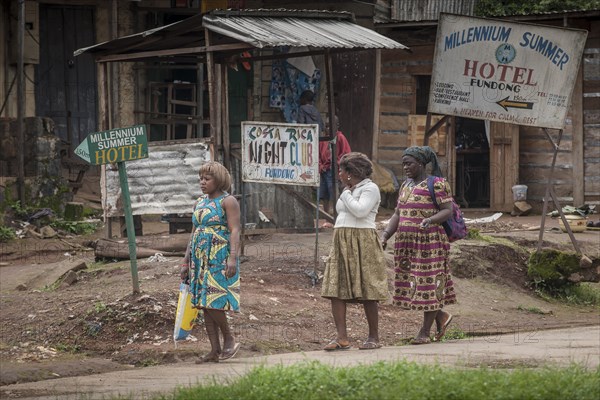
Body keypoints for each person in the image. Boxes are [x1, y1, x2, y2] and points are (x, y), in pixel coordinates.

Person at [381, 146, 456, 345]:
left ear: (421, 164)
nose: (405, 167)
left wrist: (430, 220)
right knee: (417, 286)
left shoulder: (438, 184)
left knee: (428, 285)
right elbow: (398, 214)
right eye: (403, 163)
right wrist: (386, 235)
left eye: (409, 163)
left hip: (429, 243)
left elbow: (447, 210)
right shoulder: (406, 185)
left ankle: (424, 332)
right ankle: (440, 316)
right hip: (406, 245)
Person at [321, 152, 388, 350]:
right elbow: (344, 213)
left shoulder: (370, 188)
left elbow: (360, 211)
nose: (339, 174)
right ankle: (342, 337)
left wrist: (346, 194)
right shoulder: (349, 189)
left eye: (342, 170)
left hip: (363, 240)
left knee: (368, 289)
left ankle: (373, 338)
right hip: (342, 239)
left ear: (351, 172)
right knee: (336, 288)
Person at [180, 161, 241, 363]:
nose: (202, 182)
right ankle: (214, 350)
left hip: (218, 256)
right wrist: (185, 261)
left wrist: (232, 257)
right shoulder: (199, 202)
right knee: (203, 303)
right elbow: (193, 232)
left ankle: (230, 339)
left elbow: (235, 230)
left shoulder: (228, 201)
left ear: (219, 180)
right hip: (199, 258)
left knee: (214, 300)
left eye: (207, 179)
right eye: (201, 179)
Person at [318, 115, 351, 215]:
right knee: (324, 194)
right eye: (326, 126)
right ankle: (326, 214)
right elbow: (318, 155)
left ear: (337, 126)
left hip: (334, 170)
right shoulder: (323, 139)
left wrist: (336, 164)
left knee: (334, 193)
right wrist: (320, 166)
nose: (328, 129)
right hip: (323, 170)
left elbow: (346, 154)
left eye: (330, 126)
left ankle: (335, 214)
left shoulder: (340, 138)